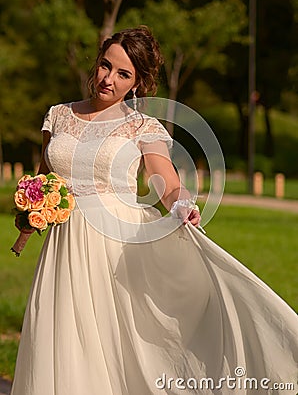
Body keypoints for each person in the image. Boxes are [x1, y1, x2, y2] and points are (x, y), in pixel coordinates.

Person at [10, 26, 297, 395]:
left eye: (122, 74)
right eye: (104, 66)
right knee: (60, 336)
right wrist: (31, 208)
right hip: (64, 247)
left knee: (117, 347)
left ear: (137, 83)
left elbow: (165, 179)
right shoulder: (59, 116)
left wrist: (181, 204)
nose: (107, 79)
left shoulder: (143, 126)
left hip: (115, 248)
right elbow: (45, 176)